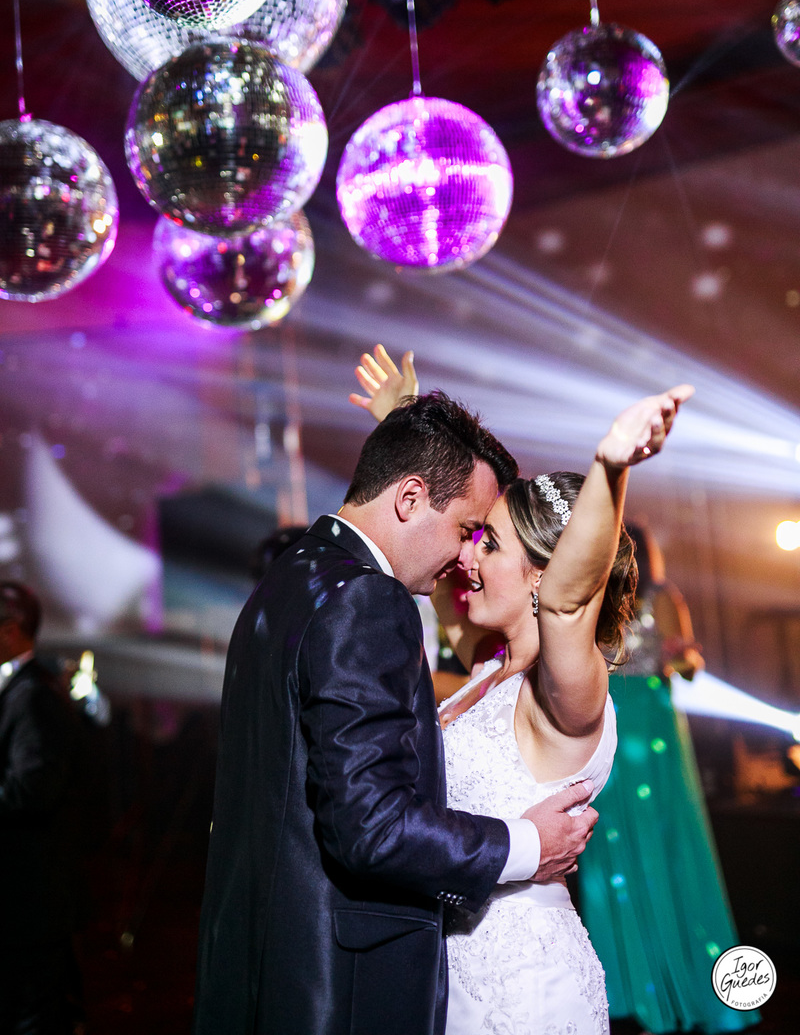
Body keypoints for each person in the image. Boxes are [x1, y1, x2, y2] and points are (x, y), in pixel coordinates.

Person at [192, 384, 599, 1035]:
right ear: (410, 498)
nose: (462, 557)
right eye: (468, 530)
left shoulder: (292, 578)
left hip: (265, 962)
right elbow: (371, 824)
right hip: (337, 983)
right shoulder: (368, 601)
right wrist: (527, 843)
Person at [349, 348, 693, 1034]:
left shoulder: (567, 693)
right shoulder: (485, 665)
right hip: (447, 979)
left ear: (544, 576)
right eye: (473, 537)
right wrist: (407, 428)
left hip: (525, 989)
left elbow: (569, 604)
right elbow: (424, 547)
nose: (467, 555)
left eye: (489, 544)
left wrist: (611, 465)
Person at [578, 522, 758, 1033]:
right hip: (607, 714)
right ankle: (626, 988)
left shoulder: (662, 596)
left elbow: (689, 660)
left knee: (667, 836)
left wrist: (684, 657)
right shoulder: (588, 596)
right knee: (611, 840)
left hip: (654, 725)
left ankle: (685, 979)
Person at [0, 582, 84, 1035]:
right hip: (26, 898)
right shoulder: (27, 690)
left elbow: (32, 789)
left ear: (12, 630)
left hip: (29, 898)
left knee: (31, 1014)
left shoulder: (32, 695)